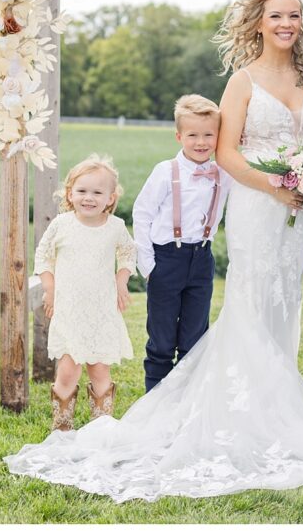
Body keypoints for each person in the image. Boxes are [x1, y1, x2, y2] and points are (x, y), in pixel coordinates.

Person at [4, 0, 303, 502]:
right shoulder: (242, 81)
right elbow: (226, 153)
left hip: (302, 210)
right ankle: (241, 410)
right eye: (277, 15)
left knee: (287, 299)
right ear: (258, 21)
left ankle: (275, 405)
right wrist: (276, 186)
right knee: (250, 298)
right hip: (260, 206)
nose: (287, 23)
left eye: (295, 15)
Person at [131, 94, 233, 392]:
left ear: (218, 137)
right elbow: (142, 213)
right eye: (192, 135)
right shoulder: (165, 172)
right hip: (166, 260)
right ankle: (155, 401)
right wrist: (148, 265)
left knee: (195, 338)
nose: (201, 142)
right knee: (162, 338)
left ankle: (186, 402)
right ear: (179, 136)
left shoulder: (223, 174)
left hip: (201, 259)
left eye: (208, 135)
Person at [35, 154, 137, 431]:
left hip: (101, 310)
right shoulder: (62, 224)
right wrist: (49, 287)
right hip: (70, 309)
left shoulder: (115, 227)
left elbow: (128, 253)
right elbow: (43, 255)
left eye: (97, 192)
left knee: (100, 368)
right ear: (70, 193)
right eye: (81, 191)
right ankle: (62, 425)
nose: (88, 197)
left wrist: (122, 277)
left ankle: (100, 427)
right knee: (68, 370)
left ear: (110, 197)